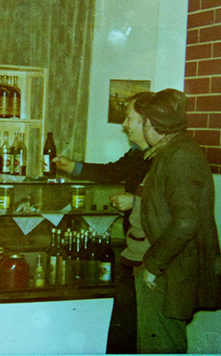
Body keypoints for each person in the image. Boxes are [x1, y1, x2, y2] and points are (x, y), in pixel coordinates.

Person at [54, 91, 154, 354]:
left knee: (142, 325)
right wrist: (74, 167)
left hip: (150, 252)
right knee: (126, 320)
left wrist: (135, 201)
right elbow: (113, 171)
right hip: (134, 247)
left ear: (146, 122)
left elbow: (171, 203)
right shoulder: (138, 153)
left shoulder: (162, 158)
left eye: (128, 118)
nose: (124, 125)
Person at [133, 88, 221, 353]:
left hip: (170, 270)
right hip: (169, 266)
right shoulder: (173, 149)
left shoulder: (181, 155)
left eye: (143, 122)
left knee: (161, 346)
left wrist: (153, 264)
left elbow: (186, 222)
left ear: (152, 125)